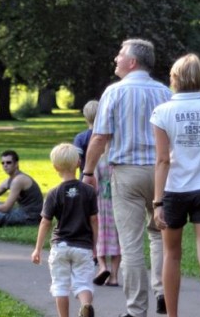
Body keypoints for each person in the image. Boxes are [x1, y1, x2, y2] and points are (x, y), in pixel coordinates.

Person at [82, 38, 171, 317]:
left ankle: (136, 310)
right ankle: (162, 292)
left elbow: (99, 137)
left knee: (131, 244)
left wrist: (87, 172)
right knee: (159, 237)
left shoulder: (115, 92)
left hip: (127, 173)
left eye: (120, 55)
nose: (115, 60)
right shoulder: (165, 92)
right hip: (162, 172)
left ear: (132, 61)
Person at [151, 53, 200, 317]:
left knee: (172, 255)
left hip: (174, 190)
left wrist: (157, 202)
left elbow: (162, 160)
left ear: (174, 78)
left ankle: (172, 314)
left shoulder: (162, 112)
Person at [33, 143, 100, 317]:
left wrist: (38, 249)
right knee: (83, 283)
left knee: (60, 285)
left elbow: (45, 222)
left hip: (60, 246)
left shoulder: (54, 193)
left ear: (55, 167)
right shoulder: (89, 191)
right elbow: (94, 220)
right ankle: (86, 305)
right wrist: (95, 245)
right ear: (79, 163)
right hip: (83, 246)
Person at [76, 99, 120, 286]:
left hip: (96, 198)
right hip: (117, 200)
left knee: (98, 233)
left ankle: (102, 266)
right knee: (117, 237)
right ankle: (115, 277)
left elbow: (81, 164)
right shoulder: (116, 153)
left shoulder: (83, 140)